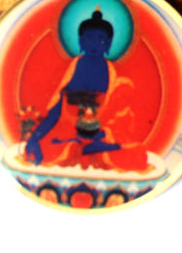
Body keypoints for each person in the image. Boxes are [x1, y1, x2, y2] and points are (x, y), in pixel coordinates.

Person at [25, 9, 144, 169]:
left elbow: (122, 121)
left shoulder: (119, 76)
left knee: (136, 153)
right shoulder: (66, 70)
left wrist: (102, 134)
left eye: (100, 41)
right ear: (80, 41)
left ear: (109, 43)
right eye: (88, 39)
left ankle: (87, 150)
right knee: (50, 148)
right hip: (67, 135)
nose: (94, 45)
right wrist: (34, 139)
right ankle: (84, 150)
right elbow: (53, 114)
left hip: (102, 137)